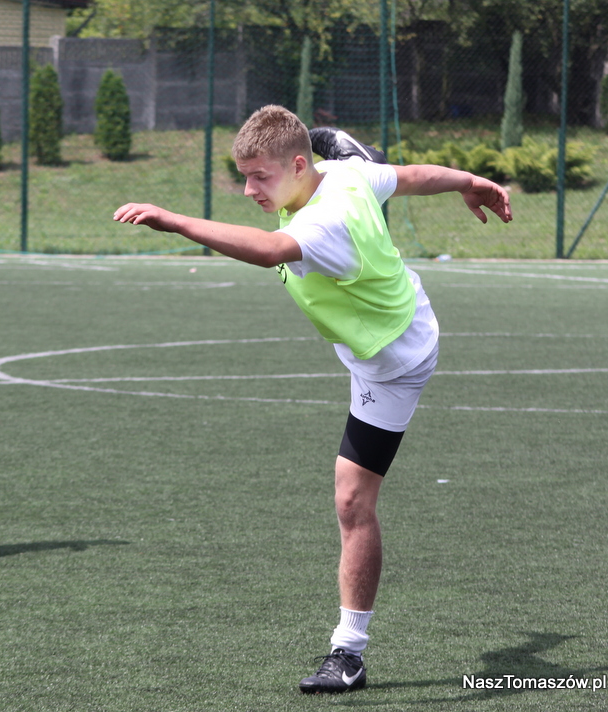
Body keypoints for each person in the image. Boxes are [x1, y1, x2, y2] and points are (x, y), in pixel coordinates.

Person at [114, 105, 511, 694]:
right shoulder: (344, 176)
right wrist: (469, 181)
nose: (249, 190)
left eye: (260, 177)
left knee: (352, 501)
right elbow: (409, 175)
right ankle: (336, 140)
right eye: (244, 176)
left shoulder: (325, 223)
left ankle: (348, 653)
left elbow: (268, 250)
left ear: (299, 166)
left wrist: (174, 221)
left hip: (394, 362)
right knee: (366, 170)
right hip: (387, 312)